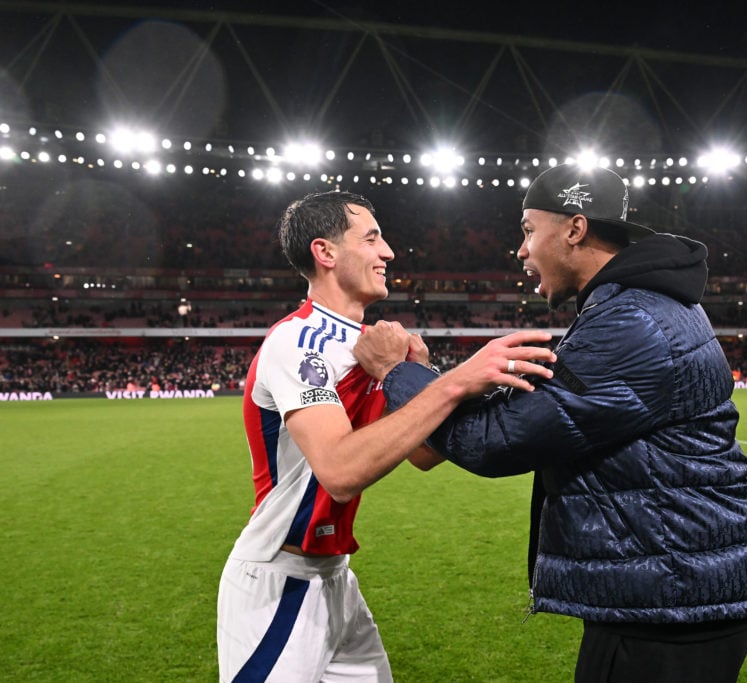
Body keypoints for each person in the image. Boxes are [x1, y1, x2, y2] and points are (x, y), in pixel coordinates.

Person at [354, 165, 747, 682]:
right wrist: (439, 382)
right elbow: (521, 419)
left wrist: (398, 373)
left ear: (575, 229)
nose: (522, 250)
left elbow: (496, 444)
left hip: (669, 603)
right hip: (672, 587)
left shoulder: (631, 323)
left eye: (529, 230)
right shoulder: (635, 308)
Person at [216, 190, 556, 682]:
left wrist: (425, 378)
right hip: (278, 582)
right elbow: (340, 471)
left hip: (334, 580)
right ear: (325, 252)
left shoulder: (372, 346)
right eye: (372, 238)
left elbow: (421, 452)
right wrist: (456, 380)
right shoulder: (300, 343)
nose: (388, 252)